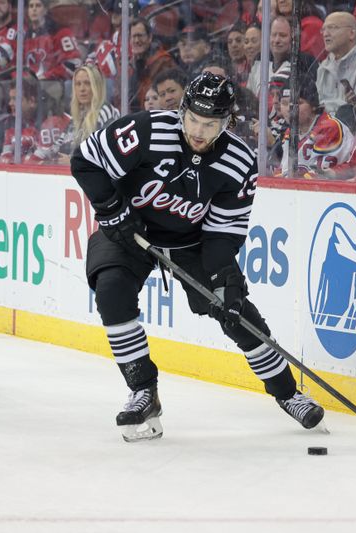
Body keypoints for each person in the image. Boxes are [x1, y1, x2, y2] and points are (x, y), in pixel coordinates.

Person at [69, 72, 325, 442]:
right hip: (129, 228)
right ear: (183, 110)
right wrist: (113, 211)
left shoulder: (238, 162)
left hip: (191, 241)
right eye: (193, 119)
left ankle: (288, 393)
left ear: (227, 122)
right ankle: (143, 390)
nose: (199, 131)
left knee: (234, 310)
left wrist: (225, 276)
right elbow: (86, 161)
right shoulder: (146, 130)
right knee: (111, 291)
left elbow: (223, 232)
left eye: (210, 124)